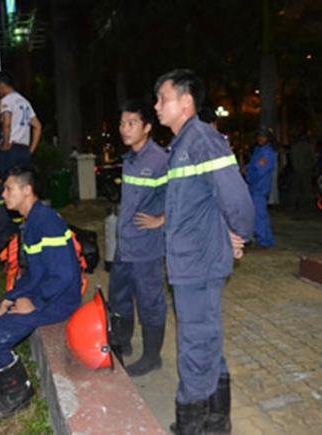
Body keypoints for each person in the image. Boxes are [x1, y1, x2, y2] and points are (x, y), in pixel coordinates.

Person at [154, 69, 254, 435]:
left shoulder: (202, 140)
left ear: (185, 102)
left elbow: (235, 196)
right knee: (204, 339)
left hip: (198, 264)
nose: (157, 106)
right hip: (190, 261)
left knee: (195, 345)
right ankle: (215, 420)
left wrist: (239, 233)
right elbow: (199, 204)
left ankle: (193, 425)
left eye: (162, 98)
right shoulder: (182, 146)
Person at [0, 167, 81, 420]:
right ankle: (7, 381)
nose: (3, 193)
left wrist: (33, 301)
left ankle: (19, 392)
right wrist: (11, 297)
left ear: (27, 190)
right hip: (46, 292)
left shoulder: (46, 222)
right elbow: (33, 273)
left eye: (9, 188)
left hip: (58, 300)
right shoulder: (32, 220)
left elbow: (64, 275)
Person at [108, 99, 168, 377]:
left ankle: (152, 356)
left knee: (149, 301)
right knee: (119, 296)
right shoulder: (129, 158)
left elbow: (182, 198)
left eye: (131, 123)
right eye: (121, 123)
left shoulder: (159, 160)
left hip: (146, 248)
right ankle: (123, 342)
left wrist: (161, 220)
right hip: (125, 245)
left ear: (147, 127)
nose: (124, 128)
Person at [0, 71, 42, 177]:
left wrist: (5, 144)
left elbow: (7, 124)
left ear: (1, 85)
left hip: (11, 149)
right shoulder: (25, 102)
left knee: (8, 183)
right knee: (22, 182)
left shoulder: (7, 100)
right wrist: (30, 150)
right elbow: (38, 126)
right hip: (24, 150)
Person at [246, 127, 276, 247]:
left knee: (259, 214)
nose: (260, 138)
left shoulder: (267, 152)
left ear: (268, 138)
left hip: (259, 186)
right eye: (259, 136)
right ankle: (263, 239)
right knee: (257, 213)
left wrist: (248, 171)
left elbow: (259, 170)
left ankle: (263, 240)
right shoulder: (259, 150)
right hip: (255, 186)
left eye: (263, 136)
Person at [288, 128, 316, 211]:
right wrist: (309, 167)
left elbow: (291, 158)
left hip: (296, 170)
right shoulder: (309, 147)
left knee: (294, 189)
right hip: (306, 170)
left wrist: (295, 167)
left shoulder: (294, 146)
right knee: (306, 189)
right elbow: (313, 159)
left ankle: (292, 205)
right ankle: (306, 206)